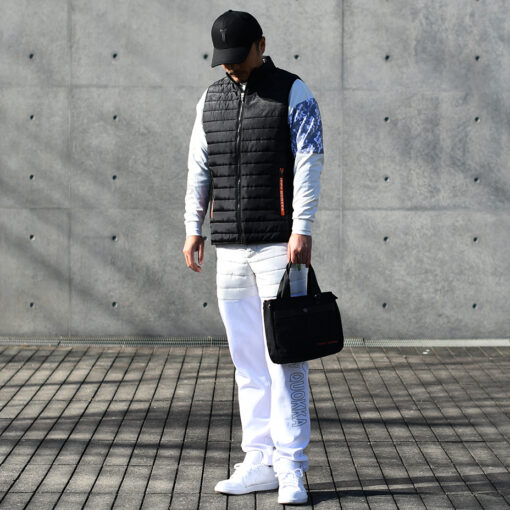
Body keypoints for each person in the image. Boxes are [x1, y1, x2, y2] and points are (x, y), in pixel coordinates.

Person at [182, 9, 323, 506]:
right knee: (247, 362)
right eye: (224, 59)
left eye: (238, 57)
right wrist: (193, 228)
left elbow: (309, 160)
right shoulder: (210, 100)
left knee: (286, 359)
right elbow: (199, 166)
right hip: (230, 248)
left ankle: (292, 467)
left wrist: (302, 227)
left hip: (278, 246)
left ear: (261, 45)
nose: (231, 66)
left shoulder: (293, 93)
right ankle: (258, 460)